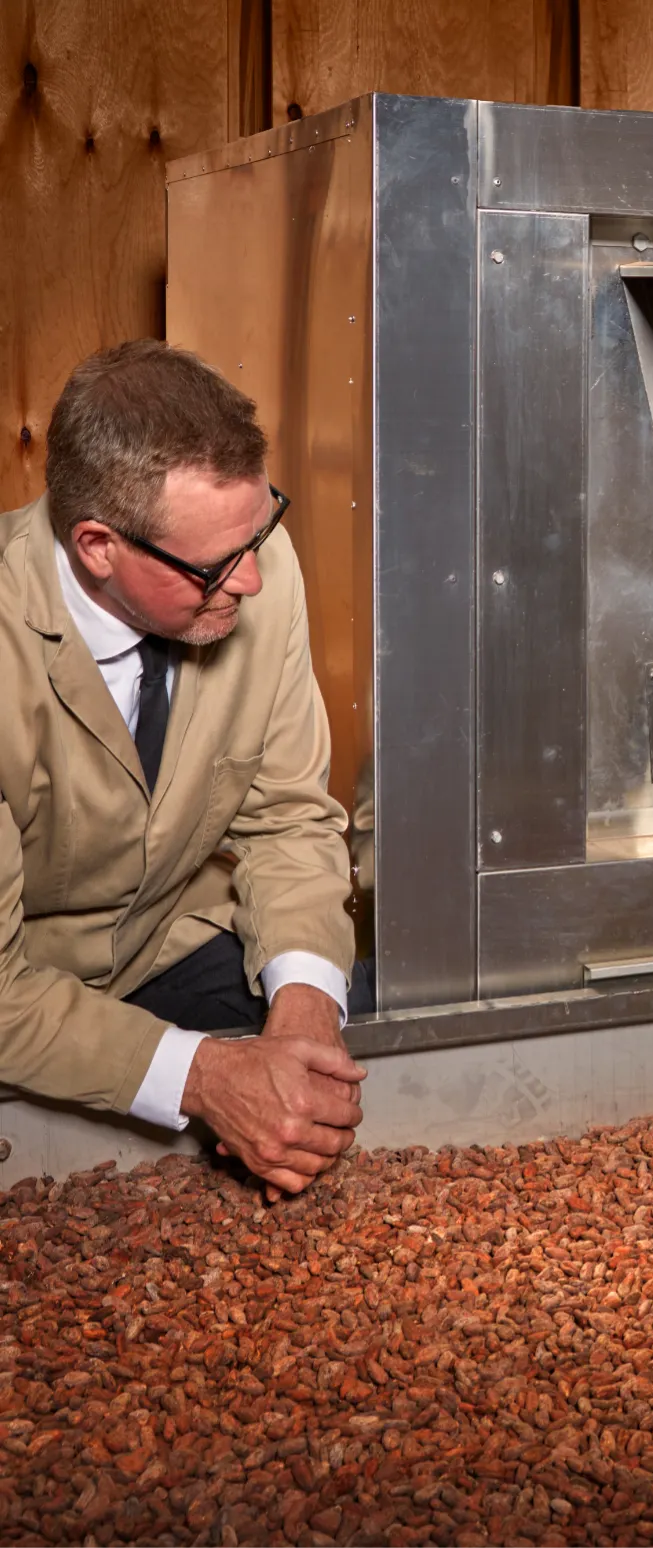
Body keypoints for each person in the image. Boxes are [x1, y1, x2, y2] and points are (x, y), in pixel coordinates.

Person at [0, 340, 367, 1196]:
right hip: (25, 987)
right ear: (97, 546)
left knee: (331, 1089)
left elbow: (289, 819)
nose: (254, 580)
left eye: (259, 532)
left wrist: (305, 1010)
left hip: (171, 937)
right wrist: (203, 1078)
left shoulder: (252, 560)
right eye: (214, 567)